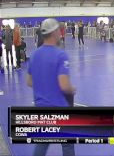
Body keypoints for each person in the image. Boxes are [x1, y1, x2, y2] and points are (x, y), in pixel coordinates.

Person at [26, 18, 76, 156]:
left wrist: (44, 84)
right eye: (59, 31)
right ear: (54, 33)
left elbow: (29, 82)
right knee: (68, 145)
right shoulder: (60, 55)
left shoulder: (34, 55)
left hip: (41, 107)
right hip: (59, 108)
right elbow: (64, 85)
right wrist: (72, 89)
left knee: (42, 143)